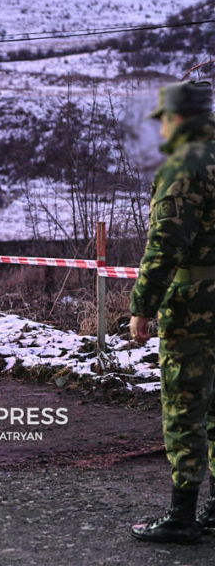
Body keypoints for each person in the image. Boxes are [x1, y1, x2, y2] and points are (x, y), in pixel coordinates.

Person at [129, 80, 215, 543]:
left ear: (177, 117)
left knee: (185, 407)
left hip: (193, 308)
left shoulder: (184, 165)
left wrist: (143, 305)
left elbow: (165, 246)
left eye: (162, 118)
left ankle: (182, 517)